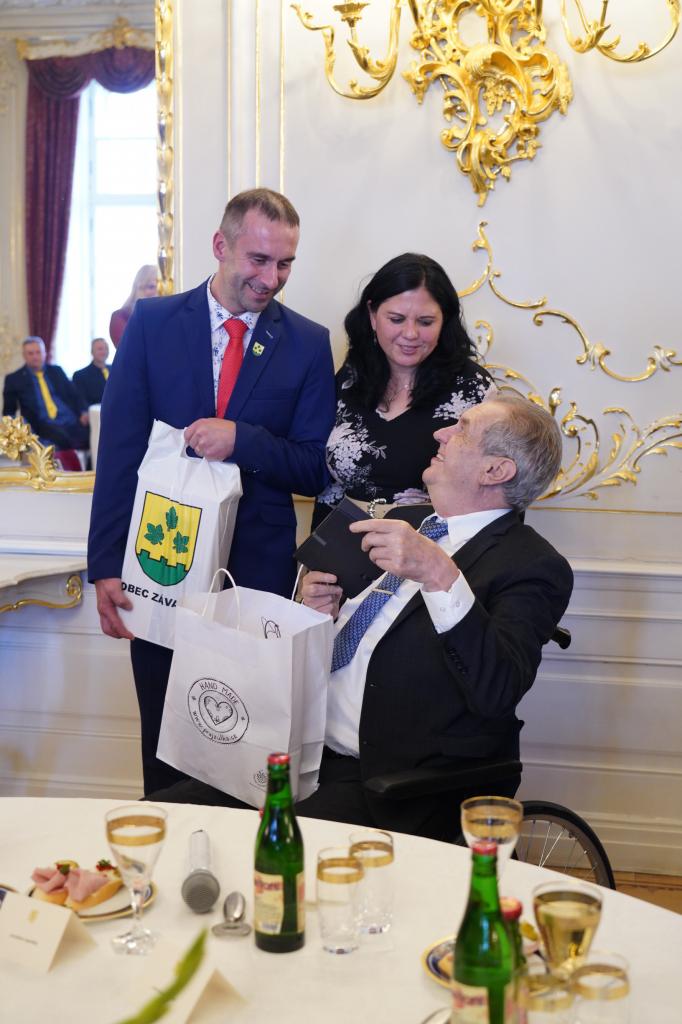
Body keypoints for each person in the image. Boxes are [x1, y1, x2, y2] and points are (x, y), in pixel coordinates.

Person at [151, 395, 573, 843]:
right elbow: (366, 639)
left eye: (463, 429)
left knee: (250, 848)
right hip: (293, 752)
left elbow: (497, 688)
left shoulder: (531, 564)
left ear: (496, 470)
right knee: (158, 821)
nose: (440, 433)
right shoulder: (409, 520)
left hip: (389, 782)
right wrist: (319, 616)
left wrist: (438, 574)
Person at [88, 187, 336, 794]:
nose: (271, 278)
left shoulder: (308, 343)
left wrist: (243, 440)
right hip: (158, 565)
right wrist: (105, 566)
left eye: (285, 264)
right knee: (164, 748)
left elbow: (314, 468)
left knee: (243, 754)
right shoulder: (151, 324)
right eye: (259, 260)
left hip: (255, 580)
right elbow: (118, 454)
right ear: (220, 245)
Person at [312, 252, 493, 528]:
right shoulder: (350, 377)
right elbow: (323, 478)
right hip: (340, 540)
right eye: (396, 319)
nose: (410, 334)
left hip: (430, 545)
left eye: (425, 322)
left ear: (444, 320)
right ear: (373, 315)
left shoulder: (474, 389)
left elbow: (497, 492)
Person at [2, 336, 89, 450]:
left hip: (69, 419)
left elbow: (75, 395)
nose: (35, 357)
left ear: (44, 353)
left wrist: (83, 412)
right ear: (24, 355)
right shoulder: (14, 379)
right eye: (30, 353)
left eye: (38, 352)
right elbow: (9, 413)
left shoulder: (57, 371)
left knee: (95, 433)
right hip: (42, 424)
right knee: (62, 438)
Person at [109, 264, 158, 347]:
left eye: (156, 287)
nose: (156, 292)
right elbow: (128, 348)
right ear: (137, 288)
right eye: (151, 286)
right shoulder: (120, 316)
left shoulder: (166, 315)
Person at [72, 337, 111, 407]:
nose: (104, 352)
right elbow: (81, 402)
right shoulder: (80, 375)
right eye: (100, 349)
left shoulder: (115, 370)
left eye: (106, 348)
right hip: (96, 411)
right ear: (92, 352)